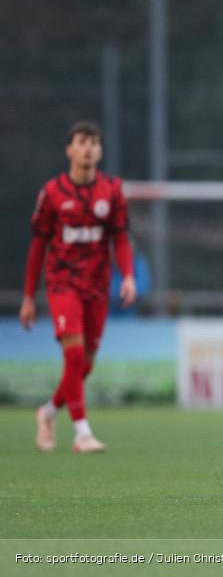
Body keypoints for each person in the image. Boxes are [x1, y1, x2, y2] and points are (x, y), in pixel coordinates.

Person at [20, 121, 136, 453]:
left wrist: (127, 276)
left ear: (100, 151)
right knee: (73, 354)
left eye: (94, 143)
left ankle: (46, 413)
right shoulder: (53, 193)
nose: (88, 148)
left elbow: (121, 239)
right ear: (70, 150)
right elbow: (38, 247)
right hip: (62, 284)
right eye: (82, 142)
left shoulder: (112, 191)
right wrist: (29, 296)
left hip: (97, 286)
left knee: (83, 365)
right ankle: (82, 433)